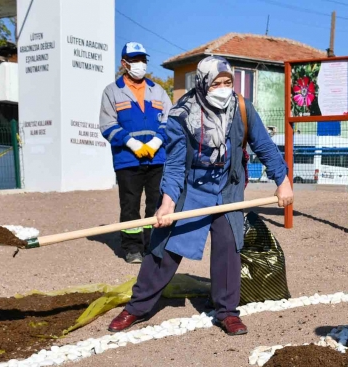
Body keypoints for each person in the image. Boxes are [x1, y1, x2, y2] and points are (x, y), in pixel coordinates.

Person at [108, 56, 294, 335]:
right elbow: (173, 164)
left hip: (227, 189)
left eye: (227, 82)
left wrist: (283, 181)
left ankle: (227, 312)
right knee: (166, 245)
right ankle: (137, 307)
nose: (222, 88)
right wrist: (168, 203)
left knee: (228, 246)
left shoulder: (242, 109)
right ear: (202, 83)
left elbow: (265, 146)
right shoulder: (182, 114)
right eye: (216, 83)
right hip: (192, 188)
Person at [100, 42, 173, 264]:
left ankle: (153, 245)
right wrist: (132, 143)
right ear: (124, 63)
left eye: (142, 59)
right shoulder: (112, 91)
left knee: (155, 203)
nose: (140, 63)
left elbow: (169, 120)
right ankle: (132, 247)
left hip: (156, 157)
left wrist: (156, 141)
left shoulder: (157, 90)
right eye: (134, 59)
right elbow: (107, 124)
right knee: (130, 205)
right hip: (127, 159)